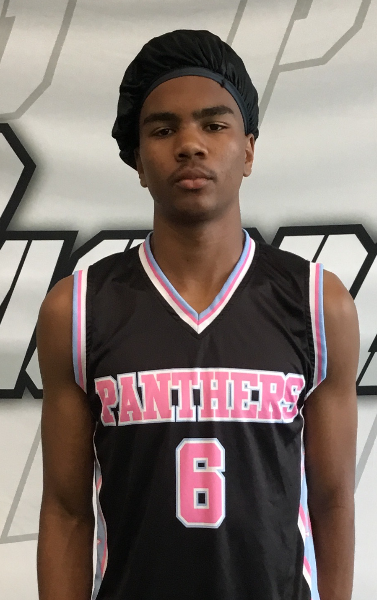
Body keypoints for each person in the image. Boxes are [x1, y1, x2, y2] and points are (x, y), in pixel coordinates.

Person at [36, 29, 359, 600]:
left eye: (214, 125)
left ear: (249, 150)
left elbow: (332, 501)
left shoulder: (318, 303)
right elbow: (65, 510)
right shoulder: (78, 308)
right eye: (163, 130)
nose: (190, 144)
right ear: (138, 160)